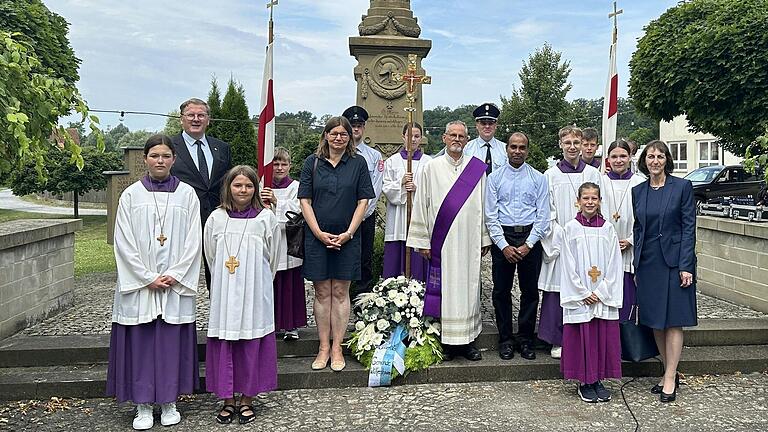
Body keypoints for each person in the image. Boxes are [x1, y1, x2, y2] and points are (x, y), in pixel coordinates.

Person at [107, 134, 202, 430]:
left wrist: (175, 274)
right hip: (141, 286)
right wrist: (147, 277)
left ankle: (169, 400)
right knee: (142, 343)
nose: (160, 160)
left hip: (174, 283)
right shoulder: (131, 195)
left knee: (170, 342)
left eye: (165, 156)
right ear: (145, 159)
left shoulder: (187, 194)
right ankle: (143, 405)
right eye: (154, 155)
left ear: (174, 159)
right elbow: (122, 241)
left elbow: (193, 240)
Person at [407, 120, 492, 361]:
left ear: (467, 140)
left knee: (469, 289)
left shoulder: (477, 169)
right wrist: (422, 240)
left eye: (461, 136)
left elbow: (484, 204)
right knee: (444, 290)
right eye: (452, 135)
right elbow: (422, 204)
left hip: (469, 241)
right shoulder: (430, 168)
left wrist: (485, 237)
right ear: (444, 138)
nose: (456, 139)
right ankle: (445, 340)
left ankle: (468, 342)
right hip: (441, 242)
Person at [204, 165, 279, 424]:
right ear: (229, 188)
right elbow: (211, 255)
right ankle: (227, 399)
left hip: (255, 290)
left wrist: (256, 283)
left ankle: (247, 399)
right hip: (225, 291)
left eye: (249, 185)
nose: (243, 190)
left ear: (256, 189)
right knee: (227, 339)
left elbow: (273, 258)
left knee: (251, 339)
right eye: (238, 185)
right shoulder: (216, 218)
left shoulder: (265, 218)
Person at [299, 116, 374, 372]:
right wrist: (318, 232)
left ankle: (337, 347)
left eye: (344, 133)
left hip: (348, 237)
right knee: (322, 292)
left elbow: (363, 201)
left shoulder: (358, 163)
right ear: (326, 135)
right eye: (334, 133)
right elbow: (305, 200)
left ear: (349, 137)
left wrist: (349, 232)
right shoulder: (313, 162)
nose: (339, 137)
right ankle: (322, 346)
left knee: (341, 292)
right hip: (317, 237)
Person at [632, 140, 698, 403]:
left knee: (673, 319)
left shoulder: (682, 187)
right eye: (650, 156)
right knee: (655, 320)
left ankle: (670, 375)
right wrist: (636, 264)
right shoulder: (638, 191)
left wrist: (686, 266)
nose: (655, 161)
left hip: (674, 263)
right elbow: (639, 229)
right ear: (644, 161)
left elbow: (688, 227)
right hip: (648, 264)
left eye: (660, 156)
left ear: (667, 160)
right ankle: (667, 369)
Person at [538, 126, 602, 359]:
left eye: (576, 142)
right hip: (561, 241)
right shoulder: (550, 175)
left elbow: (598, 206)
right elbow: (547, 212)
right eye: (568, 142)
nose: (573, 147)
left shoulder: (594, 174)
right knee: (557, 291)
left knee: (583, 288)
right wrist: (563, 237)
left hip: (587, 242)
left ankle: (582, 338)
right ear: (561, 145)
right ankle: (557, 339)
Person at [484, 132, 549, 361]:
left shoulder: (538, 178)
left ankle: (525, 339)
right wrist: (502, 245)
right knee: (501, 291)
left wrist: (529, 244)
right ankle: (505, 340)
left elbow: (544, 215)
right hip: (504, 236)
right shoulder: (494, 178)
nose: (517, 151)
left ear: (527, 150)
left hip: (530, 237)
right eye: (513, 147)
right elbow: (490, 215)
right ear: (507, 149)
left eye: (522, 147)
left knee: (530, 292)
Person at [560, 182, 623, 403]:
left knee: (600, 336)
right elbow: (567, 265)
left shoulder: (607, 229)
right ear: (578, 201)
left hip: (601, 296)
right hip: (581, 296)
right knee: (583, 335)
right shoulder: (570, 228)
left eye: (594, 198)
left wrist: (602, 291)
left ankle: (597, 380)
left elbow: (615, 263)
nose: (589, 202)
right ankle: (584, 382)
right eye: (585, 198)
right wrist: (581, 291)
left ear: (599, 201)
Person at [170, 98, 232, 289]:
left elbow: (227, 183)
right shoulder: (170, 147)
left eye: (201, 115)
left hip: (217, 218)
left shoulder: (221, 148)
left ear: (208, 119)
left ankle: (219, 315)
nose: (196, 119)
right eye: (191, 115)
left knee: (219, 273)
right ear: (182, 119)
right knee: (178, 272)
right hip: (182, 219)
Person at [600, 140, 645, 321]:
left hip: (631, 249)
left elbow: (646, 218)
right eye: (614, 156)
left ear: (630, 157)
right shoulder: (599, 182)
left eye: (623, 156)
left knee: (628, 297)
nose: (619, 160)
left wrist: (630, 240)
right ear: (608, 159)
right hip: (606, 249)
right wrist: (609, 241)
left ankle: (629, 344)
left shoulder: (640, 183)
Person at [382, 122, 433, 281]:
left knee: (417, 258)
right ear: (403, 137)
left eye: (417, 136)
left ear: (421, 139)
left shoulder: (429, 162)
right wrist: (402, 184)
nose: (413, 140)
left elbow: (433, 189)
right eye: (410, 136)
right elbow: (386, 187)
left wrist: (418, 189)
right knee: (397, 257)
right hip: (398, 217)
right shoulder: (392, 161)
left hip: (419, 216)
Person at [342, 105, 383, 296]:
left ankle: (362, 295)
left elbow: (376, 187)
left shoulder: (374, 156)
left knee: (364, 256)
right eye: (352, 125)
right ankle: (343, 292)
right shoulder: (338, 154)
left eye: (359, 125)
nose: (356, 129)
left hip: (365, 216)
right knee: (343, 255)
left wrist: (362, 213)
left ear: (364, 127)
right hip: (343, 215)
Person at [271, 147, 307, 340]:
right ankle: (272, 324)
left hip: (289, 243)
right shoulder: (261, 186)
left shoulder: (296, 186)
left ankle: (291, 325)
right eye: (276, 163)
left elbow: (299, 211)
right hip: (269, 244)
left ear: (289, 165)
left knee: (289, 286)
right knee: (271, 284)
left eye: (283, 164)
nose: (279, 167)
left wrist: (277, 202)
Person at [463, 103, 507, 174]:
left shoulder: (505, 149)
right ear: (477, 125)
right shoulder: (467, 149)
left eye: (490, 123)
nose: (487, 126)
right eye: (483, 123)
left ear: (496, 125)